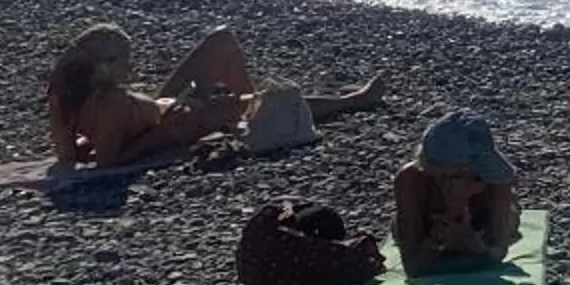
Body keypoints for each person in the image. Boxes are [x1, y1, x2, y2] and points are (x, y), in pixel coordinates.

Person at [42, 24, 388, 169]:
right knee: (274, 103)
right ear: (105, 65)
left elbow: (69, 154)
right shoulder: (112, 101)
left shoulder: (66, 97)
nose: (130, 69)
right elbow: (107, 163)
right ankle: (356, 100)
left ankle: (242, 112)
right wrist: (158, 136)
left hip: (162, 111)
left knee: (221, 39)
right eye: (126, 61)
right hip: (174, 125)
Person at [394, 111, 523, 276]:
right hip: (431, 230)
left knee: (511, 217)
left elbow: (498, 250)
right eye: (465, 173)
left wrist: (473, 244)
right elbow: (413, 267)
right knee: (399, 229)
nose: (476, 179)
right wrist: (438, 240)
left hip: (481, 228)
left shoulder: (495, 181)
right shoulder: (411, 180)